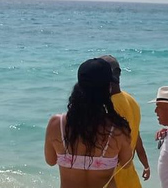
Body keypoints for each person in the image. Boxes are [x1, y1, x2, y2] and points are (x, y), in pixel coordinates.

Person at [45, 58, 133, 188]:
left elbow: (50, 161)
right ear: (108, 88)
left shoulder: (56, 124)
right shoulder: (117, 129)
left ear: (79, 86)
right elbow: (127, 164)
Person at [100, 55, 151, 187]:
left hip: (113, 181)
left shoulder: (109, 106)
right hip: (130, 179)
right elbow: (137, 138)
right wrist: (146, 165)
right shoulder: (132, 101)